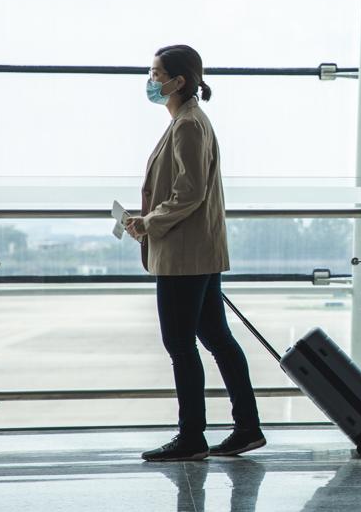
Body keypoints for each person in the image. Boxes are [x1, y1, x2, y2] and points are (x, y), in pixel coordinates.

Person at [125, 44, 265, 461]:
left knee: (181, 345)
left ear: (178, 81)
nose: (151, 81)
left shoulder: (187, 125)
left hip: (184, 256)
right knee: (217, 338)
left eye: (156, 73)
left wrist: (149, 223)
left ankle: (192, 437)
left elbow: (188, 193)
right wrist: (148, 219)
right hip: (197, 251)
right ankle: (247, 428)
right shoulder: (188, 121)